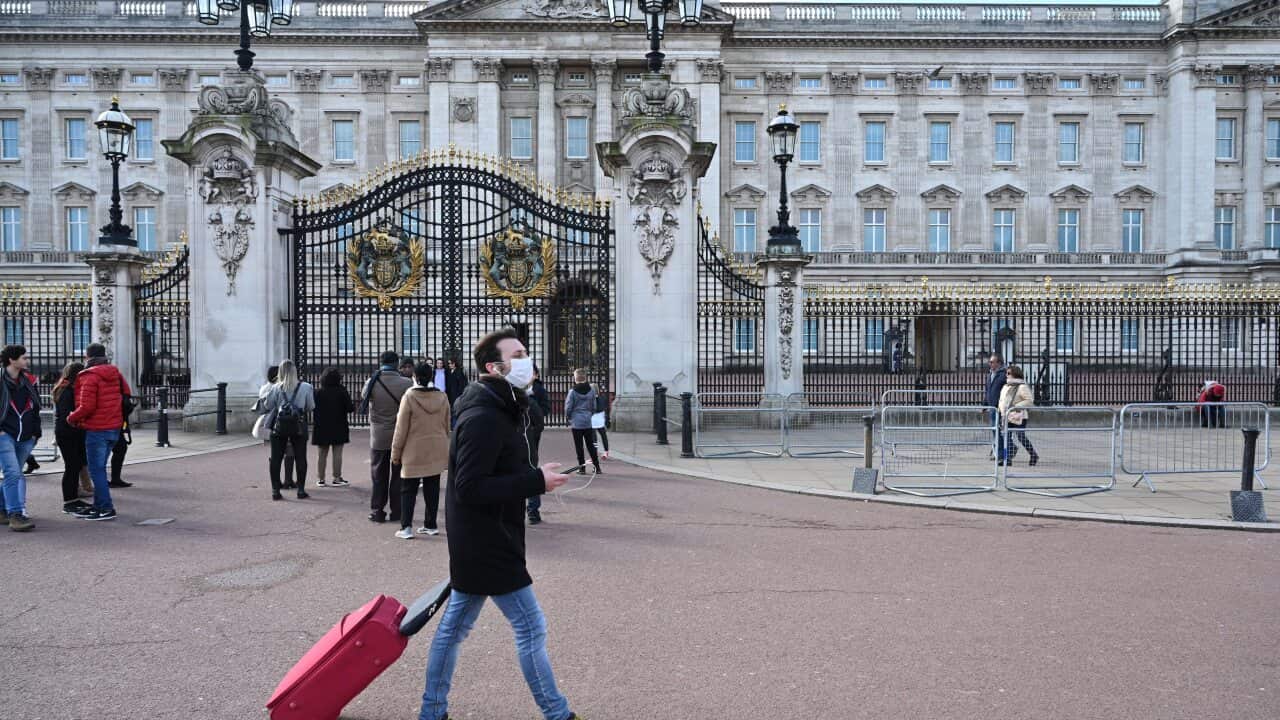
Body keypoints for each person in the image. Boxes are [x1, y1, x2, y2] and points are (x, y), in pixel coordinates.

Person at [417, 328, 578, 720]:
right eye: (518, 354)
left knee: (454, 629)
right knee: (531, 628)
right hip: (488, 541)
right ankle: (557, 714)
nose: (526, 360)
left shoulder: (499, 405)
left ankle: (432, 712)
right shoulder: (483, 416)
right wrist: (535, 481)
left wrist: (535, 475)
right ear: (494, 366)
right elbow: (469, 487)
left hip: (484, 537)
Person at [67, 343, 128, 521]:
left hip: (97, 428)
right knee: (99, 469)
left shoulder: (89, 376)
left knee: (97, 470)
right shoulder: (115, 372)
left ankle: (105, 507)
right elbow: (127, 394)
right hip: (114, 427)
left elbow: (87, 406)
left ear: (87, 357)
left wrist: (72, 418)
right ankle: (99, 505)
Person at [391, 361, 451, 539]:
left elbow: (401, 429)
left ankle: (406, 527)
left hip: (413, 449)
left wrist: (395, 453)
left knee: (408, 489)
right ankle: (430, 524)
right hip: (436, 446)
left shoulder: (409, 396)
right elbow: (447, 424)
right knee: (432, 488)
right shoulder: (442, 396)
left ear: (414, 377)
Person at [362, 350, 412, 522]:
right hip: (400, 434)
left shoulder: (372, 381)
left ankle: (377, 511)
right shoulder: (406, 382)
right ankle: (397, 511)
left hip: (378, 435)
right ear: (396, 363)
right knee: (398, 476)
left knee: (378, 475)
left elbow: (364, 398)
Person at [258, 359, 316, 501]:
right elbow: (311, 406)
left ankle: (275, 491)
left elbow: (269, 405)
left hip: (280, 425)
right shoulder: (306, 387)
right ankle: (301, 490)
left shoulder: (275, 388)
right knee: (300, 457)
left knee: (276, 458)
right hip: (298, 424)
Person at [1, 345, 41, 531]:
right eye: (24, 358)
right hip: (4, 434)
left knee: (14, 473)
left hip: (26, 435)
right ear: (12, 360)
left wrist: (35, 432)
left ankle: (2, 509)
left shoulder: (28, 381)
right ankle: (16, 515)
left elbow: (35, 408)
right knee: (13, 473)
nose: (27, 361)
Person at [53, 361, 90, 515]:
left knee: (75, 466)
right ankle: (69, 501)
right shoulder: (67, 391)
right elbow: (67, 414)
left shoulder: (68, 389)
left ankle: (73, 498)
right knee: (72, 466)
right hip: (67, 433)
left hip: (72, 432)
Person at [312, 367, 354, 487]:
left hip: (321, 426)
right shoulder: (342, 391)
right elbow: (350, 408)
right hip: (338, 425)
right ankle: (337, 477)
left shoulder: (318, 392)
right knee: (337, 453)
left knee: (321, 454)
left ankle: (321, 479)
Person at [258, 365, 295, 489]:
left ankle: (276, 482)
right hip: (280, 422)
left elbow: (265, 406)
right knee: (288, 451)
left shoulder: (264, 388)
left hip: (270, 424)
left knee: (275, 454)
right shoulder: (280, 387)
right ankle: (288, 480)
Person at [997, 365, 1038, 466]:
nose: (1006, 375)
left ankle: (1033, 454)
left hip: (1019, 415)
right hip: (1006, 415)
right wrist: (1000, 410)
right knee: (1007, 437)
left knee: (1020, 436)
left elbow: (1029, 400)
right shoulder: (1006, 386)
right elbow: (1002, 400)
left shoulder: (1022, 386)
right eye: (1006, 373)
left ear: (1015, 374)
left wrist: (1015, 406)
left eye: (1009, 373)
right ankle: (1008, 459)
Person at [525, 364, 551, 525]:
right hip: (517, 434)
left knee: (531, 468)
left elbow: (545, 410)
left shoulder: (539, 390)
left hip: (533, 433)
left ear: (536, 375)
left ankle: (533, 511)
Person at [564, 369, 601, 475]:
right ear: (585, 378)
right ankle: (597, 467)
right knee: (590, 445)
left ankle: (582, 468)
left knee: (579, 446)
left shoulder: (572, 392)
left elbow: (568, 407)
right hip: (587, 420)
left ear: (575, 378)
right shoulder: (591, 390)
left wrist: (569, 417)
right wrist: (590, 415)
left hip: (576, 422)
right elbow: (594, 406)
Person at [984, 353, 1007, 458]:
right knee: (994, 430)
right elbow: (988, 391)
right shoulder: (990, 374)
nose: (990, 364)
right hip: (992, 407)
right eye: (990, 362)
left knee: (998, 431)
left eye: (992, 362)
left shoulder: (1003, 375)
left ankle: (1001, 454)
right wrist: (984, 405)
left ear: (998, 363)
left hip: (1000, 408)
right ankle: (1000, 451)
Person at [591, 380, 610, 461]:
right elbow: (604, 408)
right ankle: (606, 451)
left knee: (593, 438)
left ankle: (594, 454)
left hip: (593, 419)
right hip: (600, 420)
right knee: (603, 436)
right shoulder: (602, 397)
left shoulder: (590, 399)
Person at [109, 421, 132, 488]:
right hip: (110, 425)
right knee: (120, 449)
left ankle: (115, 479)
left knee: (120, 449)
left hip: (115, 425)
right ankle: (112, 480)